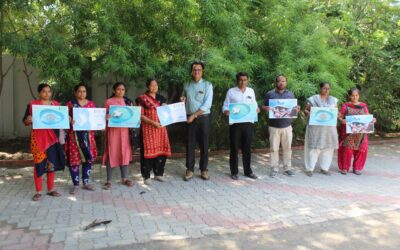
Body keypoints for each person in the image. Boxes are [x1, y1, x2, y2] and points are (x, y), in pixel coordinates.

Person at [23, 83, 65, 201]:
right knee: (39, 164)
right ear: (39, 93)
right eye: (44, 91)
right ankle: (38, 191)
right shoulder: (33, 105)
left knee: (51, 164)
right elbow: (25, 121)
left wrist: (69, 119)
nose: (47, 94)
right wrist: (28, 119)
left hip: (53, 140)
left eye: (49, 91)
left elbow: (62, 120)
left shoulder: (56, 105)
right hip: (38, 139)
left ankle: (51, 189)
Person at [180, 61, 213, 181]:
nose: (196, 72)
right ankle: (189, 169)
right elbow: (183, 97)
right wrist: (182, 98)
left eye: (199, 70)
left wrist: (194, 115)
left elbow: (207, 105)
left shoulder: (207, 85)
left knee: (204, 144)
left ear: (202, 71)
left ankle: (204, 170)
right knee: (190, 144)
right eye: (194, 70)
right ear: (191, 71)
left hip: (203, 118)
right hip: (189, 118)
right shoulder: (187, 84)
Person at [262, 75, 300, 177]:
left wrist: (297, 109)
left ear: (286, 82)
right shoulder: (270, 94)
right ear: (276, 82)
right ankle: (274, 168)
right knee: (274, 149)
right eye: (279, 81)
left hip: (287, 125)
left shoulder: (290, 94)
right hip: (273, 126)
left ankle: (287, 168)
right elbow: (263, 106)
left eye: (283, 81)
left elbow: (294, 108)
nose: (281, 83)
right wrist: (265, 108)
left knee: (287, 148)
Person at [222, 72, 259, 180]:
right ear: (237, 81)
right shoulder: (231, 92)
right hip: (235, 124)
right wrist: (226, 111)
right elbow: (225, 106)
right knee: (234, 147)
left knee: (247, 147)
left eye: (245, 80)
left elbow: (255, 104)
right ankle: (234, 172)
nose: (243, 82)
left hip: (248, 123)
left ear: (247, 80)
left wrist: (257, 109)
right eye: (241, 80)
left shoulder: (251, 91)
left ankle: (248, 171)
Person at [136, 78, 171, 185]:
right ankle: (146, 176)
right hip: (148, 129)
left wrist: (167, 108)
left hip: (161, 129)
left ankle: (158, 174)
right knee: (148, 152)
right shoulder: (141, 99)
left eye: (156, 85)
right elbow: (141, 115)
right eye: (152, 85)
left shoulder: (162, 98)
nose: (154, 87)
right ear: (148, 86)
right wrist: (152, 122)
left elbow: (167, 113)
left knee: (161, 151)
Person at [65, 83, 98, 194]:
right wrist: (69, 119)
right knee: (74, 160)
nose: (82, 93)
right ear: (75, 93)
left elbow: (95, 118)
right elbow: (64, 116)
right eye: (79, 91)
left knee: (88, 158)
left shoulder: (91, 104)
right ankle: (75, 184)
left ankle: (86, 182)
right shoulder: (70, 104)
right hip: (74, 137)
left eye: (84, 91)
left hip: (88, 136)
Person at [102, 82, 134, 189]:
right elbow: (103, 117)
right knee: (112, 152)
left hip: (124, 132)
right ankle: (108, 180)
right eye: (119, 89)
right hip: (113, 132)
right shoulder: (108, 102)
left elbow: (132, 116)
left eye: (123, 89)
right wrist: (106, 117)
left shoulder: (128, 102)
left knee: (124, 153)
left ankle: (125, 178)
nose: (121, 91)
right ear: (114, 90)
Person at [337, 87, 376, 175]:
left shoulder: (363, 106)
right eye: (352, 96)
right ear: (349, 96)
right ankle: (345, 168)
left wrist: (372, 119)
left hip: (361, 132)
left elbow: (367, 116)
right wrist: (341, 120)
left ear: (359, 96)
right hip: (348, 133)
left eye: (356, 95)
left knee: (361, 149)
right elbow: (340, 116)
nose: (355, 98)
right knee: (347, 149)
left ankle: (357, 168)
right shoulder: (346, 105)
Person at [304, 82, 338, 177]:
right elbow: (306, 110)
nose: (326, 90)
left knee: (328, 148)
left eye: (328, 88)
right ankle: (310, 168)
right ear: (320, 88)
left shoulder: (333, 100)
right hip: (315, 128)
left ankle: (324, 168)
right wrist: (309, 113)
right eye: (324, 88)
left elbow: (335, 112)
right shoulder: (313, 99)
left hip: (329, 129)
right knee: (313, 148)